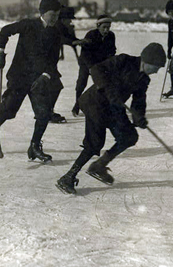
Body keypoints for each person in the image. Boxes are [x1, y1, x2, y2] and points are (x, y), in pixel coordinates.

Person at [56, 43, 167, 194]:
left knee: (129, 136)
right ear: (147, 61)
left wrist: (139, 116)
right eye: (156, 67)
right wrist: (108, 89)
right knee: (94, 143)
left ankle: (98, 166)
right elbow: (96, 69)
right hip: (95, 103)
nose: (156, 71)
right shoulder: (124, 61)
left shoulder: (144, 79)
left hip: (113, 108)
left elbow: (138, 101)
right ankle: (68, 177)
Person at [0, 0, 65, 163]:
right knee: (9, 109)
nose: (55, 18)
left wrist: (45, 75)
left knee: (43, 114)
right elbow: (5, 31)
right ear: (42, 13)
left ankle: (34, 147)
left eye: (57, 15)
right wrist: (0, 53)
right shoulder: (29, 25)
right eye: (52, 14)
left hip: (37, 81)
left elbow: (53, 59)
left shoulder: (56, 33)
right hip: (20, 77)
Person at [71, 14, 117, 116]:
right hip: (86, 62)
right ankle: (77, 105)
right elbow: (85, 54)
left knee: (103, 83)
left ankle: (103, 106)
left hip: (100, 63)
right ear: (98, 26)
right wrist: (91, 67)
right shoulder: (91, 35)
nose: (106, 30)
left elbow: (112, 50)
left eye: (108, 27)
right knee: (81, 84)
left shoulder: (111, 36)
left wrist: (109, 61)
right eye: (103, 27)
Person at [50, 6, 80, 124]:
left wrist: (79, 41)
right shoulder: (56, 27)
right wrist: (73, 42)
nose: (71, 22)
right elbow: (61, 39)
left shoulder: (63, 26)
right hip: (44, 62)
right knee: (55, 86)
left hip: (51, 63)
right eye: (69, 19)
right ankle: (47, 113)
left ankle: (48, 111)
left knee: (55, 87)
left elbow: (70, 37)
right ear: (62, 19)